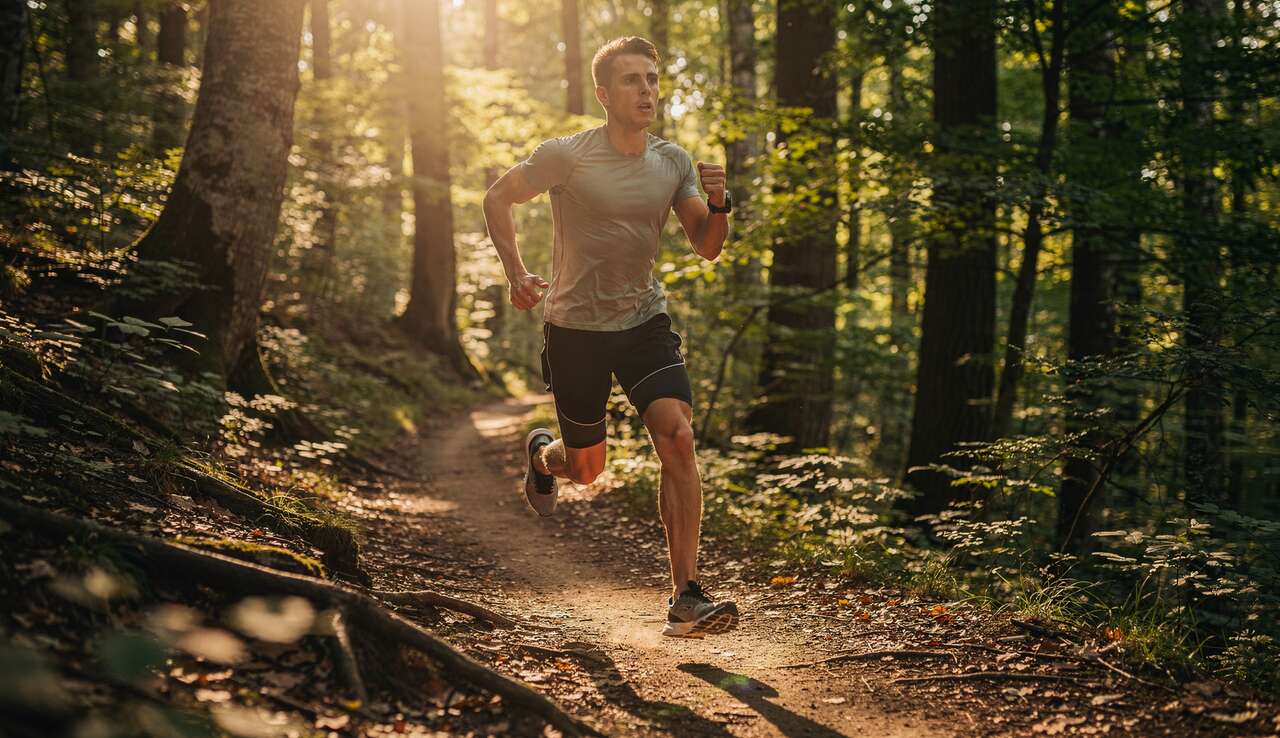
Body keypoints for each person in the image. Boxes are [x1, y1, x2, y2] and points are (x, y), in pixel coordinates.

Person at [481, 36, 737, 637]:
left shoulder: (672, 161)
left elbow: (706, 244)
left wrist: (722, 201)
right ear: (603, 94)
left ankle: (686, 595)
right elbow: (498, 197)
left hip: (644, 322)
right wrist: (516, 275)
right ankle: (543, 456)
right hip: (574, 328)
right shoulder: (566, 156)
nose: (647, 89)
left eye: (652, 78)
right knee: (587, 470)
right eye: (632, 80)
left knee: (677, 437)